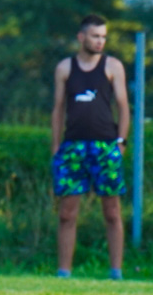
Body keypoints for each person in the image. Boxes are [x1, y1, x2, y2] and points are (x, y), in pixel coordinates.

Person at [51, 14, 129, 280]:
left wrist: (121, 141)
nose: (100, 41)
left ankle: (116, 271)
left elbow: (123, 106)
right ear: (81, 37)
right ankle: (64, 271)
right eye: (95, 36)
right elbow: (58, 109)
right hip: (73, 148)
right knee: (67, 212)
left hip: (106, 146)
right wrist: (55, 146)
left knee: (112, 211)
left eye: (103, 37)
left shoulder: (113, 66)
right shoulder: (65, 68)